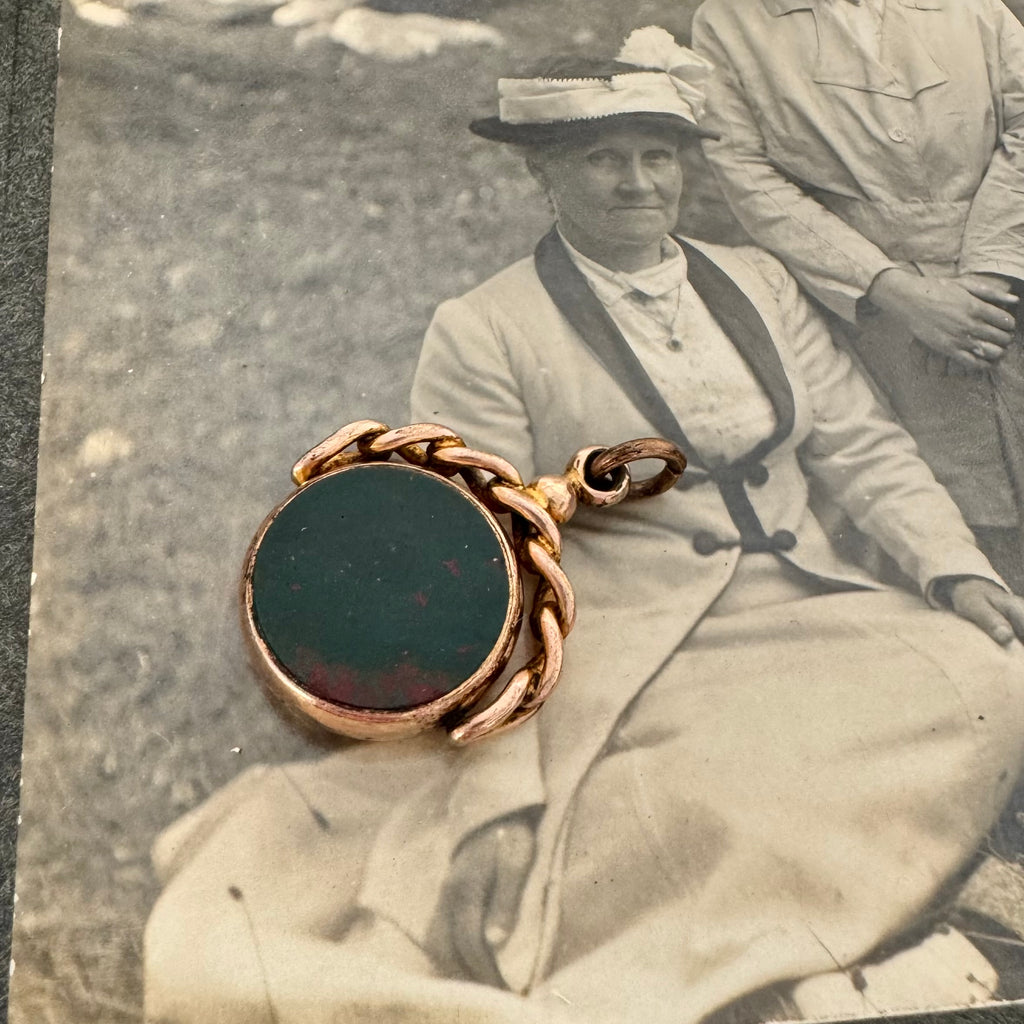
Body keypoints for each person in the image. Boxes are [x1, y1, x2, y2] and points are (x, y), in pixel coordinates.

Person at [145, 28, 1024, 1024]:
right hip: (633, 638)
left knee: (991, 677)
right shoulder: (486, 328)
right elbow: (483, 569)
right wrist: (501, 795)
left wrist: (955, 571)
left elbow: (862, 446)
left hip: (807, 603)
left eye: (657, 157)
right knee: (726, 788)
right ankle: (747, 967)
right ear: (545, 174)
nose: (637, 183)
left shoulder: (758, 283)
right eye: (602, 160)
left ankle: (851, 922)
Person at [691, 0, 1024, 593]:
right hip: (871, 311)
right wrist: (895, 290)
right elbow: (749, 177)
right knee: (932, 513)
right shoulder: (731, 23)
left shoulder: (976, 9)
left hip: (1009, 277)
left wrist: (991, 274)